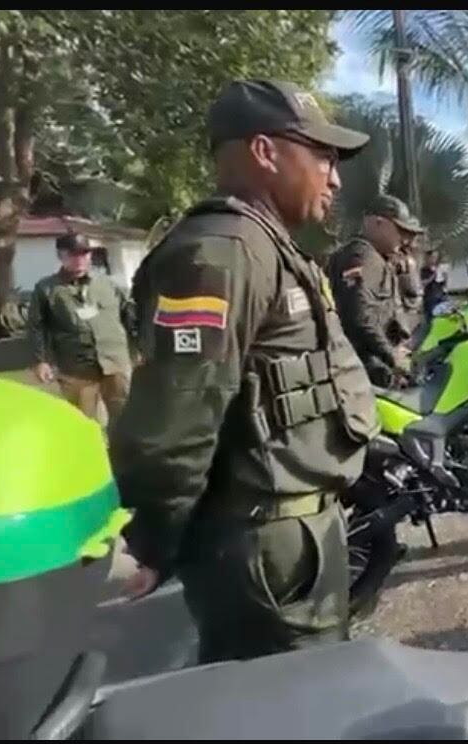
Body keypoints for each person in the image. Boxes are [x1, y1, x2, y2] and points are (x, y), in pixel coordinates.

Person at [110, 79, 379, 662]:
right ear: (264, 152)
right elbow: (179, 416)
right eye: (322, 156)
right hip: (265, 548)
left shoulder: (266, 247)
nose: (334, 178)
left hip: (296, 533)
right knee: (288, 697)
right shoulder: (220, 253)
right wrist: (153, 541)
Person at [27, 232, 136, 430]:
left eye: (84, 254)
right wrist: (40, 360)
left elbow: (129, 316)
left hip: (115, 362)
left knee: (124, 418)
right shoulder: (47, 289)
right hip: (76, 367)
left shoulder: (107, 283)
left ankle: (121, 449)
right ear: (61, 256)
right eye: (73, 254)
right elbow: (37, 326)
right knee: (83, 423)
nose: (80, 259)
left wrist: (140, 347)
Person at [329, 194, 423, 388]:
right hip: (367, 370)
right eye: (401, 231)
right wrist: (392, 356)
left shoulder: (377, 257)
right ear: (378, 223)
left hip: (374, 365)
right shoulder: (363, 257)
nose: (405, 240)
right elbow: (359, 318)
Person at [420, 246, 449, 317]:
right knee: (430, 317)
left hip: (441, 296)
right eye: (432, 257)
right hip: (430, 298)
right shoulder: (424, 270)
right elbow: (423, 283)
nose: (434, 259)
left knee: (443, 316)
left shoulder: (439, 268)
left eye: (436, 257)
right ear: (427, 258)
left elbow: (444, 283)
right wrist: (432, 277)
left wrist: (445, 277)